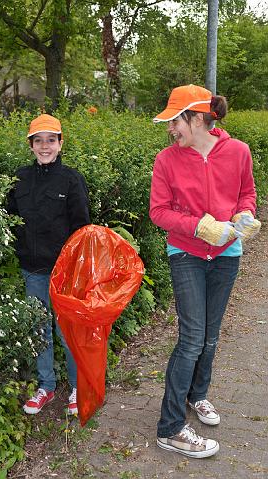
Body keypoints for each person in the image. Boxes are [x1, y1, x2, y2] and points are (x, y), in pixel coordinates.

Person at [149, 84, 261, 459]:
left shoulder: (238, 152)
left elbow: (248, 192)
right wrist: (198, 226)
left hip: (227, 254)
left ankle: (197, 396)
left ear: (196, 119)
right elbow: (159, 211)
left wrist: (245, 215)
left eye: (174, 122)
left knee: (211, 336)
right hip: (186, 253)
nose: (171, 130)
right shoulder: (166, 160)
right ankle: (170, 428)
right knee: (192, 338)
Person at [7, 113, 90, 415]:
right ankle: (47, 386)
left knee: (67, 331)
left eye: (51, 140)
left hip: (64, 272)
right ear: (31, 145)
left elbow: (82, 229)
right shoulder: (20, 178)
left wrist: (76, 268)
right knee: (39, 329)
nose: (45, 146)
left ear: (60, 143)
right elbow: (10, 219)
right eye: (39, 141)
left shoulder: (71, 179)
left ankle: (77, 386)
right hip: (33, 270)